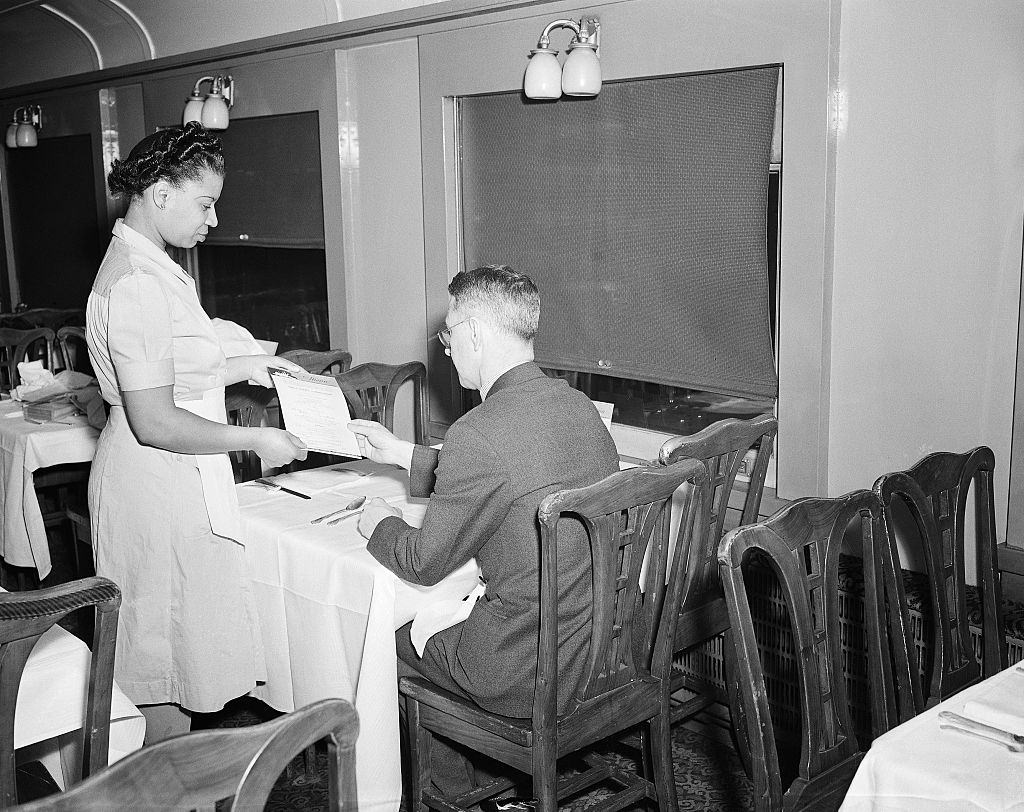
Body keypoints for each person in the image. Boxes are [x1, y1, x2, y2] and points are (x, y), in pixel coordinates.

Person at [349, 264, 619, 793]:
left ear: (474, 332)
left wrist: (379, 524)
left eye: (449, 333)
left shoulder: (478, 432)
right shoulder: (576, 406)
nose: (445, 347)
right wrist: (406, 454)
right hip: (600, 645)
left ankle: (454, 797)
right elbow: (518, 468)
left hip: (527, 668)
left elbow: (422, 563)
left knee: (388, 642)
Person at [86, 121, 308, 742]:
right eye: (205, 202)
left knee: (182, 653)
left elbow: (174, 369)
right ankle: (162, 789)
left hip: (172, 479)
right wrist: (257, 440)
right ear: (160, 192)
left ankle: (175, 784)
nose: (213, 220)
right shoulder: (134, 282)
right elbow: (154, 419)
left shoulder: (153, 266)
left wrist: (250, 365)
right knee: (162, 659)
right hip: (153, 485)